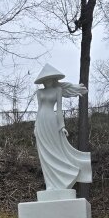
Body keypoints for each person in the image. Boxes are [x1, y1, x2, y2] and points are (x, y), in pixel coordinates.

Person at [33, 63, 91, 191]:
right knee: (44, 153)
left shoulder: (57, 90)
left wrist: (62, 126)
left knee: (55, 150)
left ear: (54, 79)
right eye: (45, 79)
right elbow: (39, 109)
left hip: (52, 121)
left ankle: (64, 178)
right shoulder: (39, 92)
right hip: (42, 121)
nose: (48, 81)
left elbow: (59, 110)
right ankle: (50, 184)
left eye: (50, 78)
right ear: (43, 80)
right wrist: (36, 125)